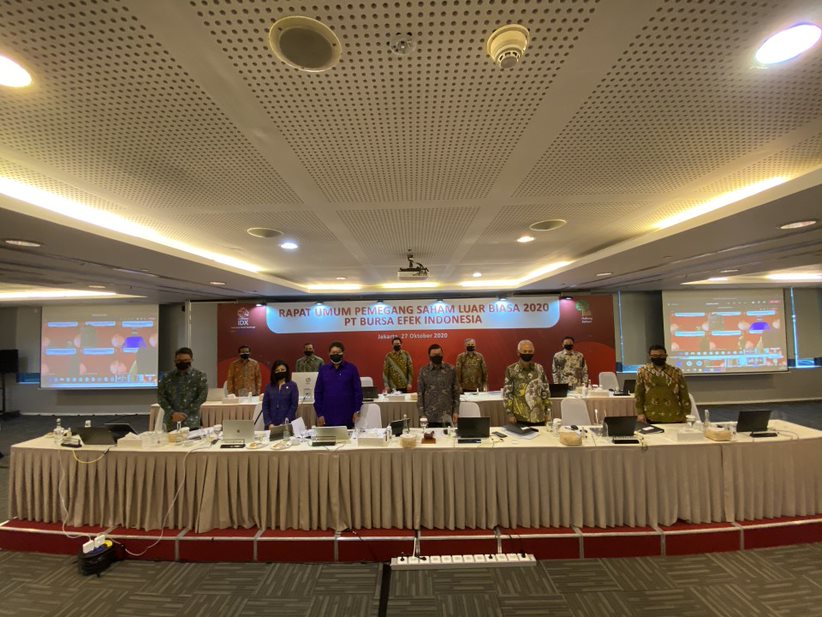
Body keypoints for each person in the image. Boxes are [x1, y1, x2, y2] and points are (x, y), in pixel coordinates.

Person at [634, 345, 690, 423]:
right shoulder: (643, 372)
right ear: (650, 356)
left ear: (666, 356)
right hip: (651, 416)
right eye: (654, 356)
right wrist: (640, 413)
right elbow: (638, 395)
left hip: (674, 416)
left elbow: (684, 394)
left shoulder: (676, 372)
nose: (658, 358)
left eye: (661, 355)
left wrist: (686, 414)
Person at [314, 341, 363, 429]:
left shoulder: (351, 368)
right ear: (329, 354)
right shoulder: (323, 370)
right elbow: (318, 392)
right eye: (333, 353)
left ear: (342, 353)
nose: (335, 355)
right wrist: (319, 414)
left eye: (338, 353)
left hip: (347, 415)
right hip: (327, 416)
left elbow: (358, 391)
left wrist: (357, 410)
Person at [158, 347, 208, 431]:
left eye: (185, 360)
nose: (182, 363)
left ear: (191, 360)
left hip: (191, 421)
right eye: (179, 360)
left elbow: (201, 397)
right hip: (172, 421)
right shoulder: (166, 377)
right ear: (175, 361)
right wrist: (173, 413)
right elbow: (161, 397)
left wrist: (184, 414)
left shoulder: (199, 376)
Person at [502, 340, 551, 425]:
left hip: (539, 416)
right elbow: (507, 394)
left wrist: (548, 411)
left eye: (530, 351)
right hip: (519, 417)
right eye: (524, 351)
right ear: (518, 353)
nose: (527, 353)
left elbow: (545, 391)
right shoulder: (511, 369)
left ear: (533, 352)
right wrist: (509, 414)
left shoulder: (539, 368)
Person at [417, 344, 460, 427]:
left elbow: (456, 392)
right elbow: (420, 394)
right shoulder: (423, 371)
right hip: (429, 416)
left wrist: (456, 411)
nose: (437, 357)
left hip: (447, 415)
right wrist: (421, 414)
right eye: (434, 355)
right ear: (429, 356)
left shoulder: (451, 369)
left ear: (442, 354)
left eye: (439, 354)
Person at [261, 360, 298, 429]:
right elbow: (265, 406)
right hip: (271, 425)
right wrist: (269, 423)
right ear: (274, 372)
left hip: (287, 424)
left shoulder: (293, 385)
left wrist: (286, 421)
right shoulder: (269, 387)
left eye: (282, 370)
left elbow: (294, 405)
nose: (280, 372)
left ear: (287, 370)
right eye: (277, 370)